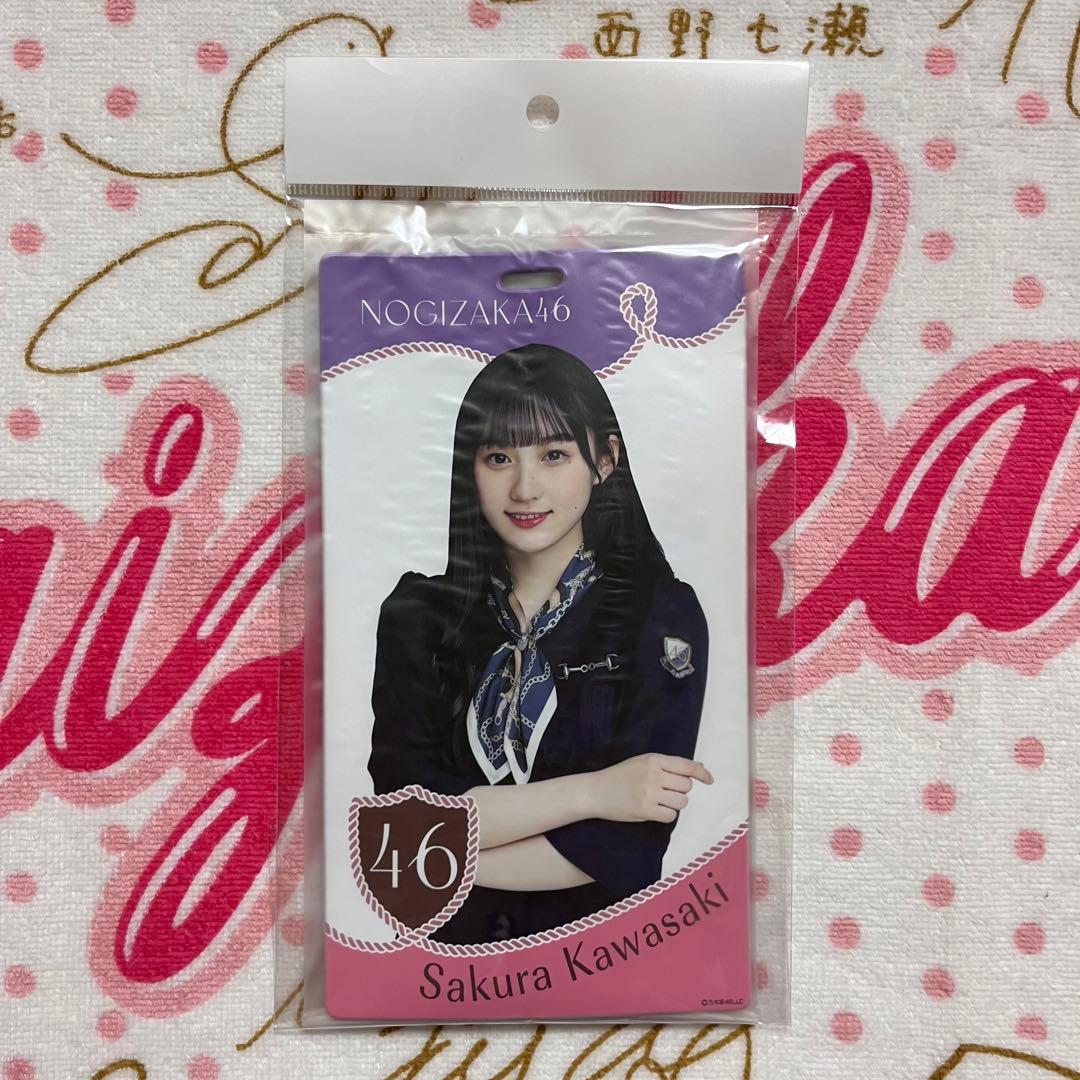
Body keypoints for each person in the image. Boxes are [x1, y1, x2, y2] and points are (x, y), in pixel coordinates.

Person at [369, 343, 711, 944]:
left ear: (604, 460)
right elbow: (403, 816)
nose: (525, 488)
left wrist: (435, 858)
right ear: (469, 467)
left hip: (607, 960)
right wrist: (596, 792)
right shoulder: (415, 617)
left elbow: (623, 850)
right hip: (438, 969)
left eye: (554, 454)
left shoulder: (661, 617)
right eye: (499, 457)